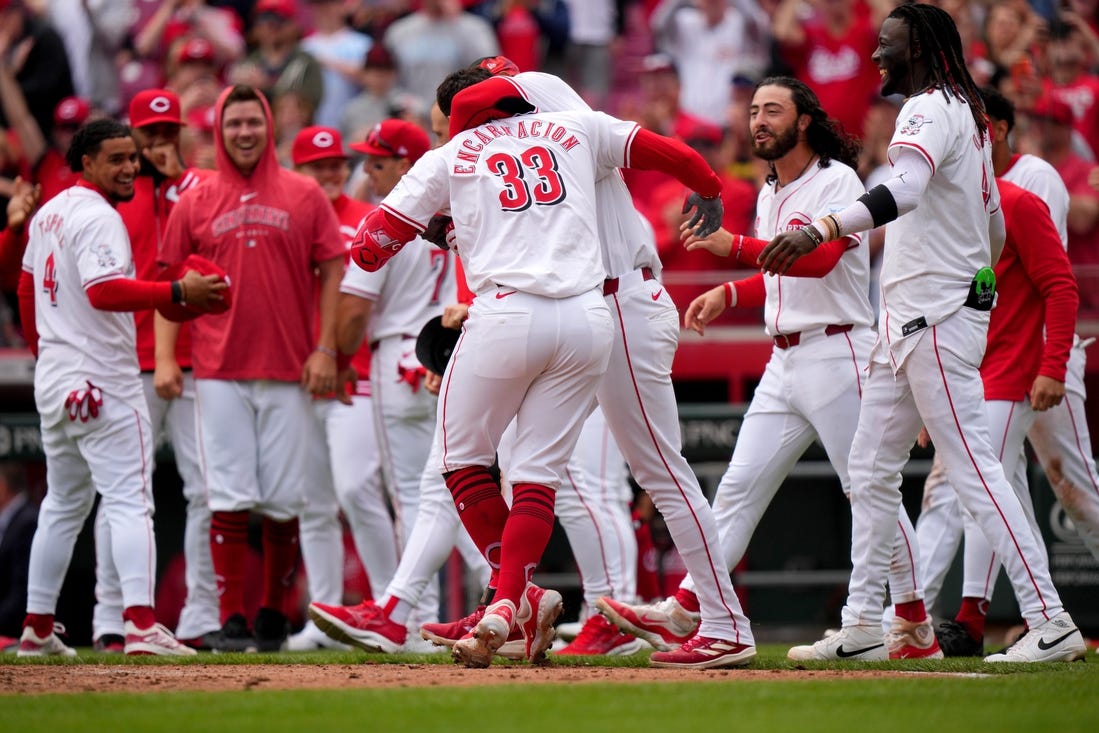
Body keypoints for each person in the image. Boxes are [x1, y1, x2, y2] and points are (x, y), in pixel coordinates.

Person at [347, 69, 753, 670]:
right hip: (591, 307)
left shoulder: (535, 96)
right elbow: (646, 155)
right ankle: (512, 602)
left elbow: (371, 244)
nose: (444, 138)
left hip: (616, 300)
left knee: (646, 470)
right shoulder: (568, 125)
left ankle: (723, 622)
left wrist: (448, 214)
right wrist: (711, 185)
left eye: (447, 126)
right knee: (533, 470)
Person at [759, 3, 1087, 663]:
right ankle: (868, 625)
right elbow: (990, 223)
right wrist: (979, 300)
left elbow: (904, 189)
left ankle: (1050, 619)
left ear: (921, 50)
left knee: (973, 471)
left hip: (928, 320)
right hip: (912, 320)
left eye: (887, 44)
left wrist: (822, 226)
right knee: (870, 470)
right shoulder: (963, 114)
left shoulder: (927, 108)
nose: (876, 56)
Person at [599, 76, 938, 660]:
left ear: (804, 120)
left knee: (868, 488)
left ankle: (909, 623)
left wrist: (731, 248)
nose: (759, 120)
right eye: (754, 110)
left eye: (773, 110)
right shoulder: (770, 187)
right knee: (735, 489)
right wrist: (730, 294)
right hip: (784, 357)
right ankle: (688, 609)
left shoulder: (837, 179)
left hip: (839, 350)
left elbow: (820, 257)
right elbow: (780, 266)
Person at [16, 118, 224, 657]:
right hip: (104, 379)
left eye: (133, 157)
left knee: (63, 505)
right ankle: (139, 624)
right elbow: (105, 290)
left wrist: (48, 356)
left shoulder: (48, 213)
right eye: (117, 159)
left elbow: (23, 289)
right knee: (131, 501)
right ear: (86, 163)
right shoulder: (99, 216)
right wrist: (176, 289)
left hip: (58, 379)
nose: (131, 166)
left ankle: (37, 629)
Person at [157, 84, 346, 652]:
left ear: (269, 128)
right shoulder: (195, 199)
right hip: (217, 368)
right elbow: (170, 284)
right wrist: (167, 355)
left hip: (290, 366)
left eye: (253, 123)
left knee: (286, 499)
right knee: (228, 494)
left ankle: (272, 614)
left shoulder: (305, 192)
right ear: (218, 130)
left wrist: (326, 348)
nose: (244, 133)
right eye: (233, 123)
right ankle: (232, 616)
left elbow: (333, 270)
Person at [916, 86, 1098, 656]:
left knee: (1073, 490)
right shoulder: (956, 193)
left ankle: (992, 615)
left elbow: (1047, 282)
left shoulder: (1031, 182)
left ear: (992, 128)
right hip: (982, 359)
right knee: (985, 484)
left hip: (1041, 354)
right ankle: (944, 617)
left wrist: (1049, 364)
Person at [90, 89, 220, 652]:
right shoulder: (115, 194)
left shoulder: (200, 187)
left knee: (206, 491)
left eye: (170, 132)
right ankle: (108, 618)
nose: (159, 142)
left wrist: (177, 180)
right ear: (133, 135)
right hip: (128, 357)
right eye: (151, 133)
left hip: (199, 355)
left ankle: (198, 615)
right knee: (123, 493)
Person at [285, 123, 399, 651]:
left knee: (359, 489)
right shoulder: (291, 220)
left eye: (336, 165)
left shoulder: (367, 219)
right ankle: (324, 618)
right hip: (299, 375)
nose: (330, 173)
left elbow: (370, 305)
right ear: (299, 172)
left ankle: (391, 605)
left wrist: (340, 355)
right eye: (317, 166)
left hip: (356, 373)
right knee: (314, 501)